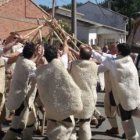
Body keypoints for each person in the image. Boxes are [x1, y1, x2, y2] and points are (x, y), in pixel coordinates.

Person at [36, 39, 83, 140]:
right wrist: (65, 41)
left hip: (50, 106)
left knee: (57, 127)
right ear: (57, 54)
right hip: (63, 106)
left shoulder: (39, 71)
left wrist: (39, 56)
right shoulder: (60, 63)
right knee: (65, 128)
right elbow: (65, 51)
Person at [92, 43, 140, 140]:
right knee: (133, 112)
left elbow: (103, 60)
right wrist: (97, 52)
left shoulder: (115, 63)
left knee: (126, 118)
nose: (112, 50)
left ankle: (132, 137)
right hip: (133, 94)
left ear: (119, 51)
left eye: (116, 49)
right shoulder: (129, 59)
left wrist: (92, 51)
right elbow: (109, 57)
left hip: (123, 96)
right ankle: (130, 135)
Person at [3, 42, 37, 140]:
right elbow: (35, 77)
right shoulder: (31, 65)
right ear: (33, 54)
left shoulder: (20, 60)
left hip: (19, 94)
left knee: (31, 120)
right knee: (17, 124)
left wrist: (37, 56)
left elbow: (30, 63)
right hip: (23, 97)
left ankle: (27, 137)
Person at [70, 46, 98, 140]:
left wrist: (68, 48)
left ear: (80, 55)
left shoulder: (73, 64)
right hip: (89, 98)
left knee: (71, 122)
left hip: (75, 97)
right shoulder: (94, 65)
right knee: (85, 122)